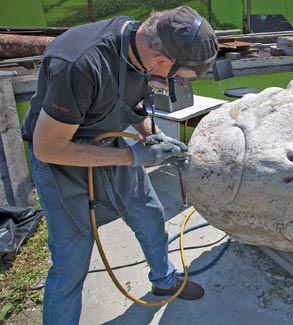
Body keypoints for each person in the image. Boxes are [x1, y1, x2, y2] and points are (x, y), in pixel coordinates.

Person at [21, 6, 219, 325]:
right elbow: (48, 148)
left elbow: (130, 103)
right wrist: (132, 156)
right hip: (60, 159)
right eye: (182, 77)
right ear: (162, 61)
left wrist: (154, 138)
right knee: (72, 259)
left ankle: (164, 280)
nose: (180, 83)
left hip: (107, 142)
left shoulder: (140, 47)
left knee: (149, 213)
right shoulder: (80, 64)